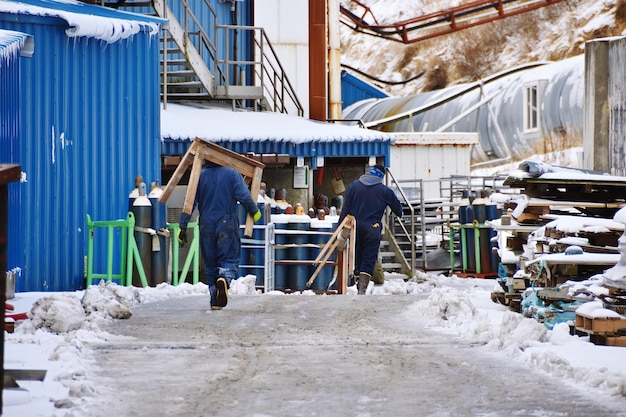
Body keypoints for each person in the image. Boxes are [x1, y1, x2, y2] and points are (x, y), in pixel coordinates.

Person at [178, 161, 261, 310]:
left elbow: (190, 202)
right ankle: (224, 278)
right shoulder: (232, 174)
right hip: (226, 222)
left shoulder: (199, 176)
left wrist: (182, 226)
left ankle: (215, 301)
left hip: (205, 224)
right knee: (229, 258)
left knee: (210, 264)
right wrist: (254, 211)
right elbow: (243, 196)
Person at [338, 164, 403, 295]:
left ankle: (358, 286)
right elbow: (399, 211)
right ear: (381, 176)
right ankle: (362, 290)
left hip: (355, 228)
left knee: (358, 257)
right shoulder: (385, 191)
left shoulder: (354, 186)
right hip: (373, 228)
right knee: (369, 258)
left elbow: (345, 209)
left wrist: (340, 227)